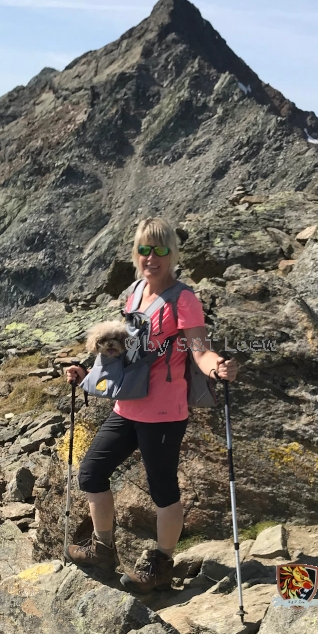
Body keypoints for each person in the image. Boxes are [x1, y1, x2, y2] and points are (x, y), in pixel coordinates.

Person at [64, 217, 238, 593]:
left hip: (164, 412)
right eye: (144, 249)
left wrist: (217, 367)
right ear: (136, 253)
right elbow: (121, 347)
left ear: (172, 253)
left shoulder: (184, 299)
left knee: (162, 488)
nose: (151, 257)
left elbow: (199, 351)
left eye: (160, 249)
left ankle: (161, 564)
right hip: (127, 405)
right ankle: (103, 549)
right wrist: (86, 367)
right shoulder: (135, 290)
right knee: (92, 472)